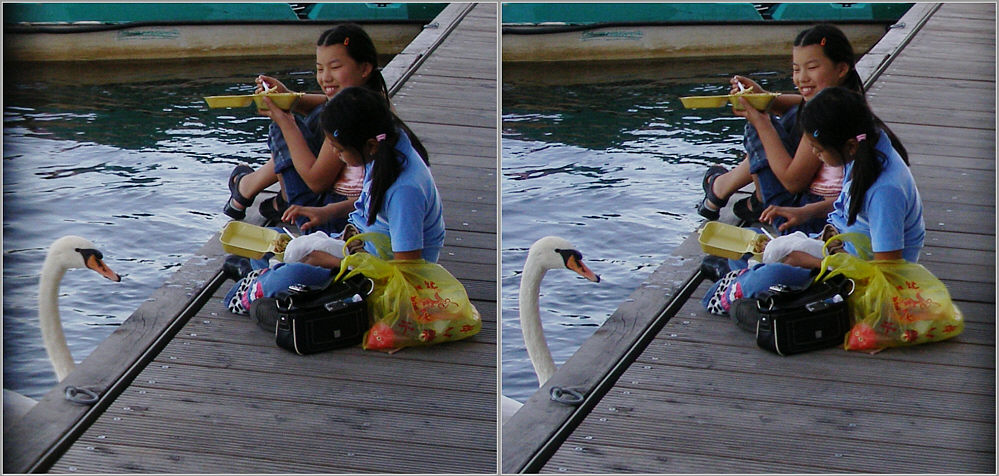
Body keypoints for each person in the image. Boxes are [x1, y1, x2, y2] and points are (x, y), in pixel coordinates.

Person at [703, 87, 924, 319]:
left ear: (849, 146)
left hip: (860, 281)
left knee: (768, 276)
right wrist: (806, 212)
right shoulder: (865, 145)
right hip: (839, 249)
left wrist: (813, 263)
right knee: (749, 239)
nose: (814, 154)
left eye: (818, 149)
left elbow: (888, 275)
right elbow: (852, 202)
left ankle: (744, 283)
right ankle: (749, 279)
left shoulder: (884, 191)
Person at [223, 86, 445, 315]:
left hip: (385, 280)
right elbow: (374, 203)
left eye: (339, 149)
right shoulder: (386, 146)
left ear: (369, 145)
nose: (336, 155)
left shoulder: (404, 191)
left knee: (294, 275)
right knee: (289, 250)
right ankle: (267, 275)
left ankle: (260, 284)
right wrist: (327, 212)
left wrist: (337, 263)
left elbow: (407, 273)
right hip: (365, 251)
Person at [223, 23, 428, 237]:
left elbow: (316, 182)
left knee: (282, 128)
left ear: (365, 69)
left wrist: (286, 122)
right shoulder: (374, 102)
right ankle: (257, 192)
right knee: (319, 113)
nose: (325, 77)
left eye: (335, 67)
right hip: (351, 210)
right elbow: (328, 103)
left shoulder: (353, 118)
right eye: (320, 69)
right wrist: (288, 97)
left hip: (330, 219)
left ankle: (263, 193)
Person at [698, 24, 862, 234]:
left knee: (759, 129)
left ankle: (739, 194)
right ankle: (729, 191)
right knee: (793, 114)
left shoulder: (828, 117)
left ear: (841, 69)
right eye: (796, 69)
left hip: (803, 220)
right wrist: (762, 96)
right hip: (829, 211)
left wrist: (761, 123)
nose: (802, 77)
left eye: (812, 68)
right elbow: (799, 104)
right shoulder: (849, 100)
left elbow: (793, 182)